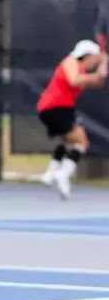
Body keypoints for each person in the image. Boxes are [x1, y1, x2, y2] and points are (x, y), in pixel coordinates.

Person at [37, 39, 108, 199]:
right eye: (94, 59)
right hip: (55, 107)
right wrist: (98, 71)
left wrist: (103, 64)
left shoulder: (83, 71)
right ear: (86, 55)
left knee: (68, 142)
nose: (94, 63)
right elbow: (74, 80)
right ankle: (63, 174)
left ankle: (50, 173)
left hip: (56, 108)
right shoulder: (70, 62)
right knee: (82, 142)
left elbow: (98, 81)